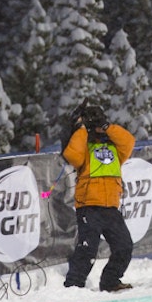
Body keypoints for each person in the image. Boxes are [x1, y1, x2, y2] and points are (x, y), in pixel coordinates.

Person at [61, 100, 137, 292]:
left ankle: (110, 281)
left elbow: (129, 141)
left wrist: (107, 127)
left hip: (111, 207)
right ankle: (73, 286)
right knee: (88, 249)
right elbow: (72, 155)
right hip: (88, 207)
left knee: (124, 246)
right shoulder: (84, 146)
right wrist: (81, 129)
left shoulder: (116, 148)